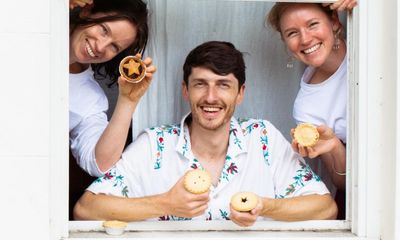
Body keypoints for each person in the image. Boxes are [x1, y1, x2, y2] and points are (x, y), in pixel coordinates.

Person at [73, 41, 337, 226]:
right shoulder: (155, 143)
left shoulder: (262, 137)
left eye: (223, 85)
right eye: (201, 84)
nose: (211, 97)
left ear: (240, 93)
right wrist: (165, 204)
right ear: (185, 90)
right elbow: (86, 210)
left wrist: (264, 206)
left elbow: (326, 208)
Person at [266, 0, 357, 218]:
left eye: (313, 24)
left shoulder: (372, 42)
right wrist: (335, 146)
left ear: (334, 21)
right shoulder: (306, 107)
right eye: (292, 33)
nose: (305, 39)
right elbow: (344, 183)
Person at [69, 0, 156, 177]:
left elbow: (100, 164)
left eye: (114, 47)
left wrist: (128, 101)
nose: (100, 46)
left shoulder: (90, 99)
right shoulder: (31, 28)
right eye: (104, 30)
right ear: (87, 11)